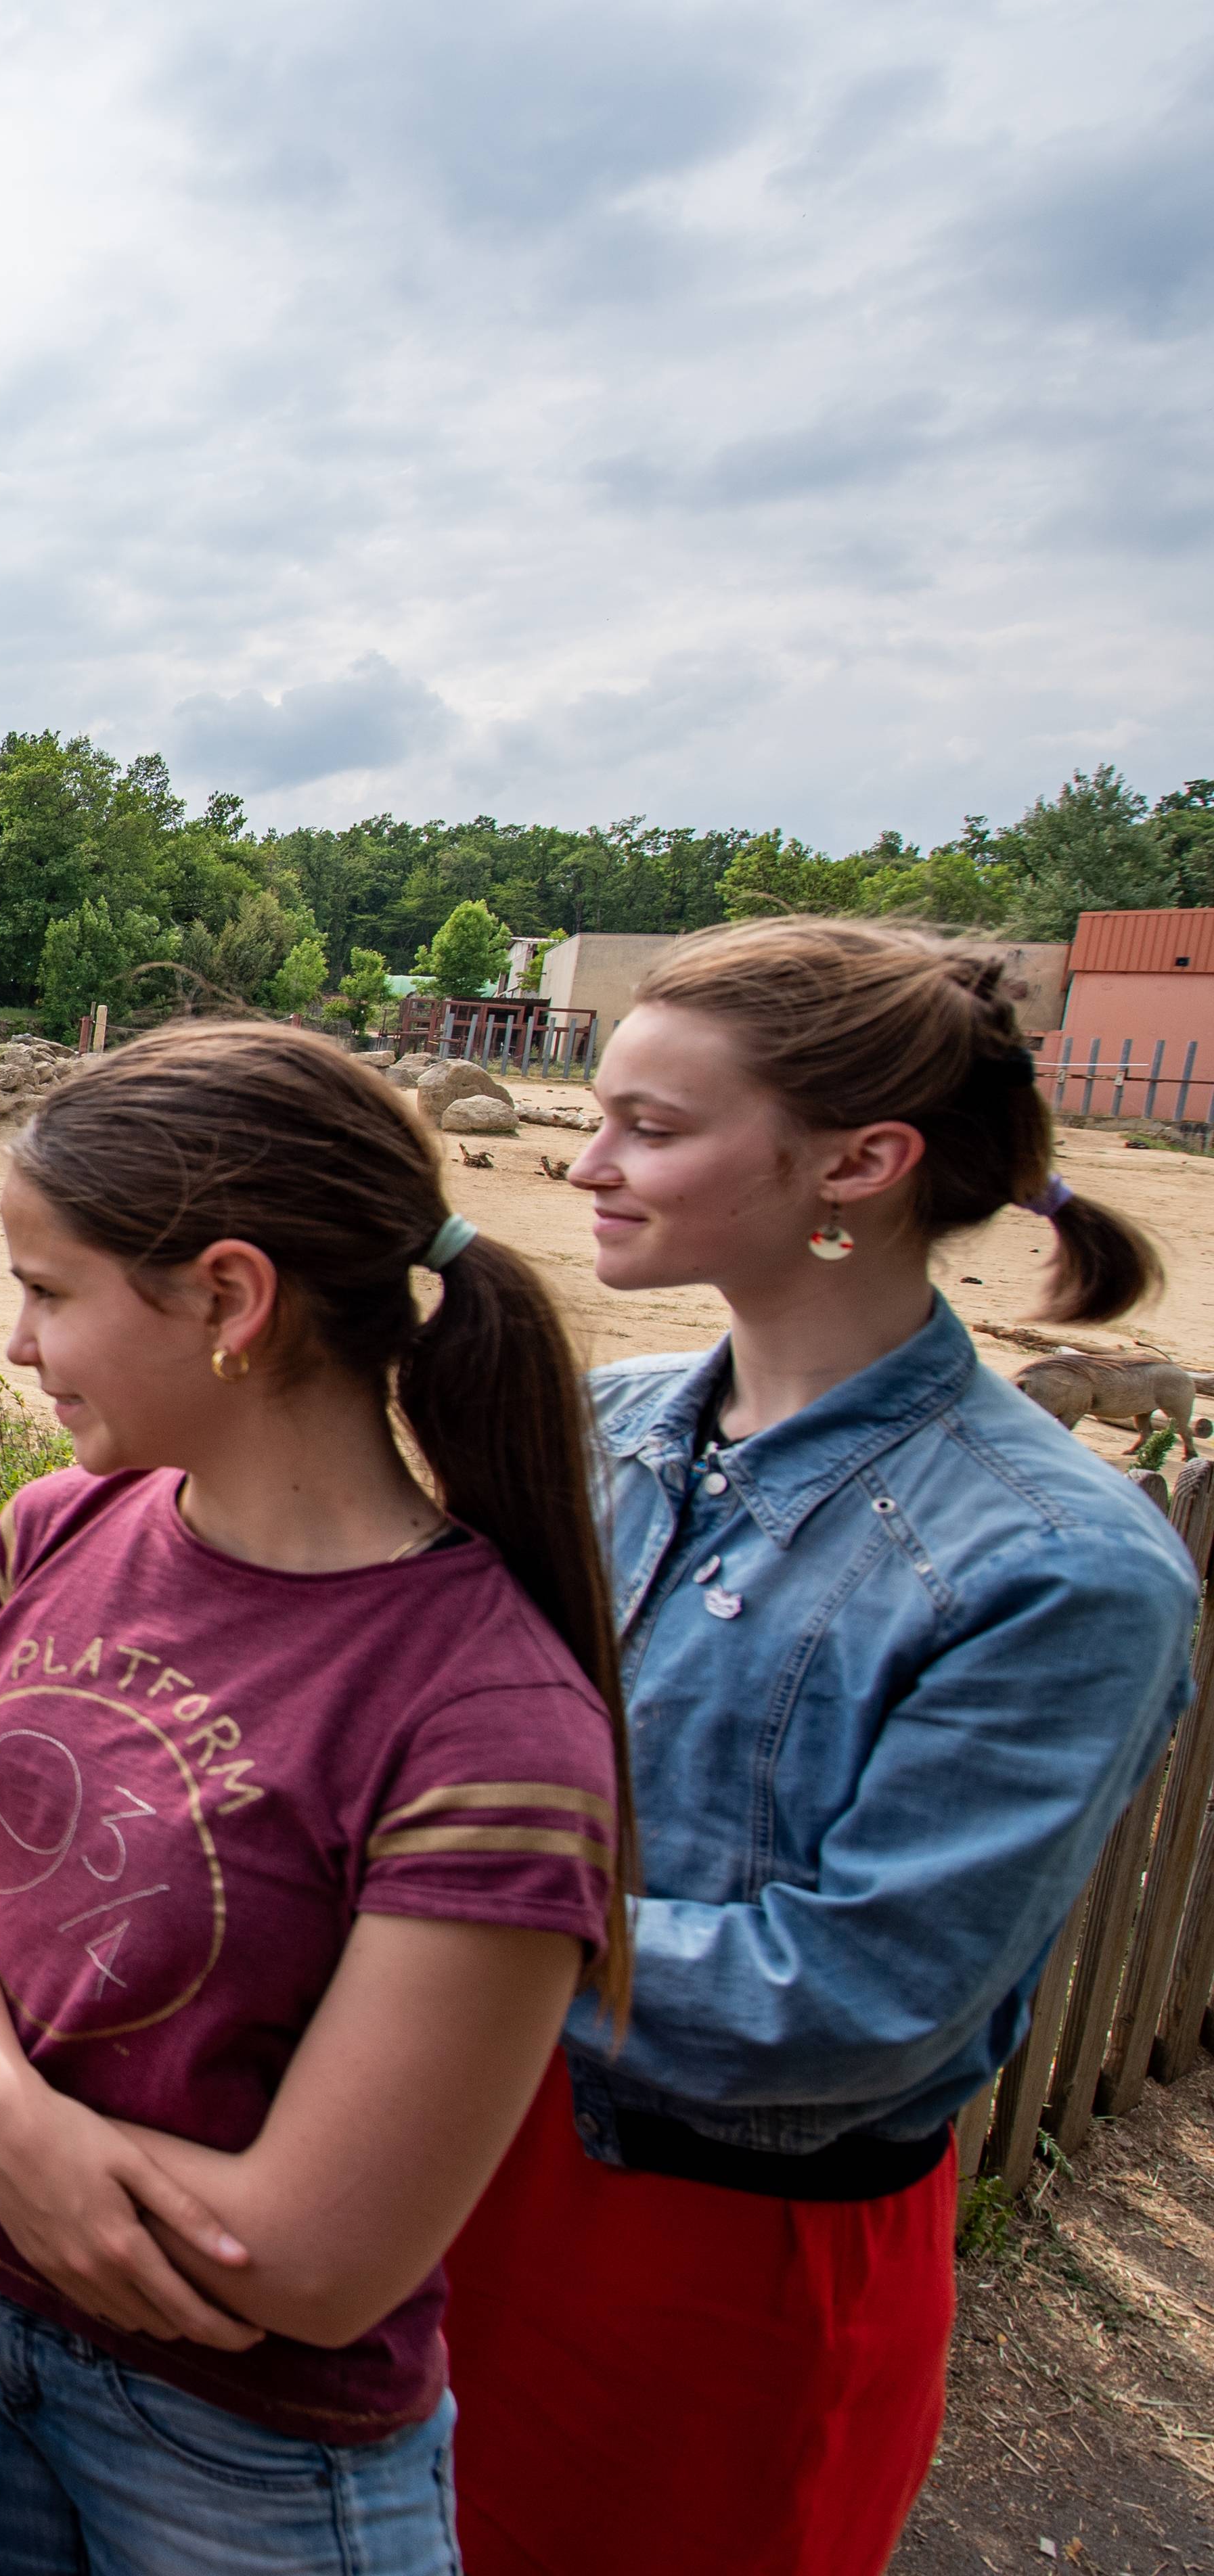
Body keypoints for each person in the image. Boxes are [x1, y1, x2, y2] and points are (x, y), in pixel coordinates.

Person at [0, 1019, 631, 2575]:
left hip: (247, 2460)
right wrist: (9, 2119)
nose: (15, 1344)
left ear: (228, 1299)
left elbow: (300, 2264)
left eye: (45, 1291)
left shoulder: (488, 1726)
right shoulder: (58, 1526)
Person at [443, 919, 1199, 2576]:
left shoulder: (1055, 1567)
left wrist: (419, 1935)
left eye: (651, 1123)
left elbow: (848, 2001)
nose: (583, 1159)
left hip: (719, 2272)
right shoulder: (610, 1426)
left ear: (857, 1163)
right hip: (447, 2174)